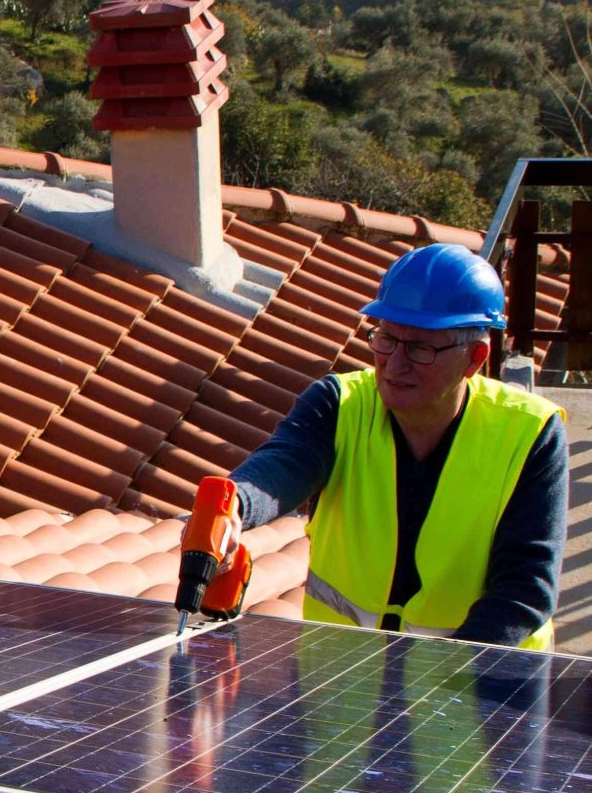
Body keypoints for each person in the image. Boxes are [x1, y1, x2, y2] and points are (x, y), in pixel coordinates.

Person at [230, 242, 568, 650]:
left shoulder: (530, 433)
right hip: (339, 688)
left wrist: (451, 686)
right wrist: (235, 505)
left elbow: (524, 588)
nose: (394, 363)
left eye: (421, 348)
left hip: (480, 692)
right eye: (386, 339)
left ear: (474, 358)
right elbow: (284, 465)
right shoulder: (340, 404)